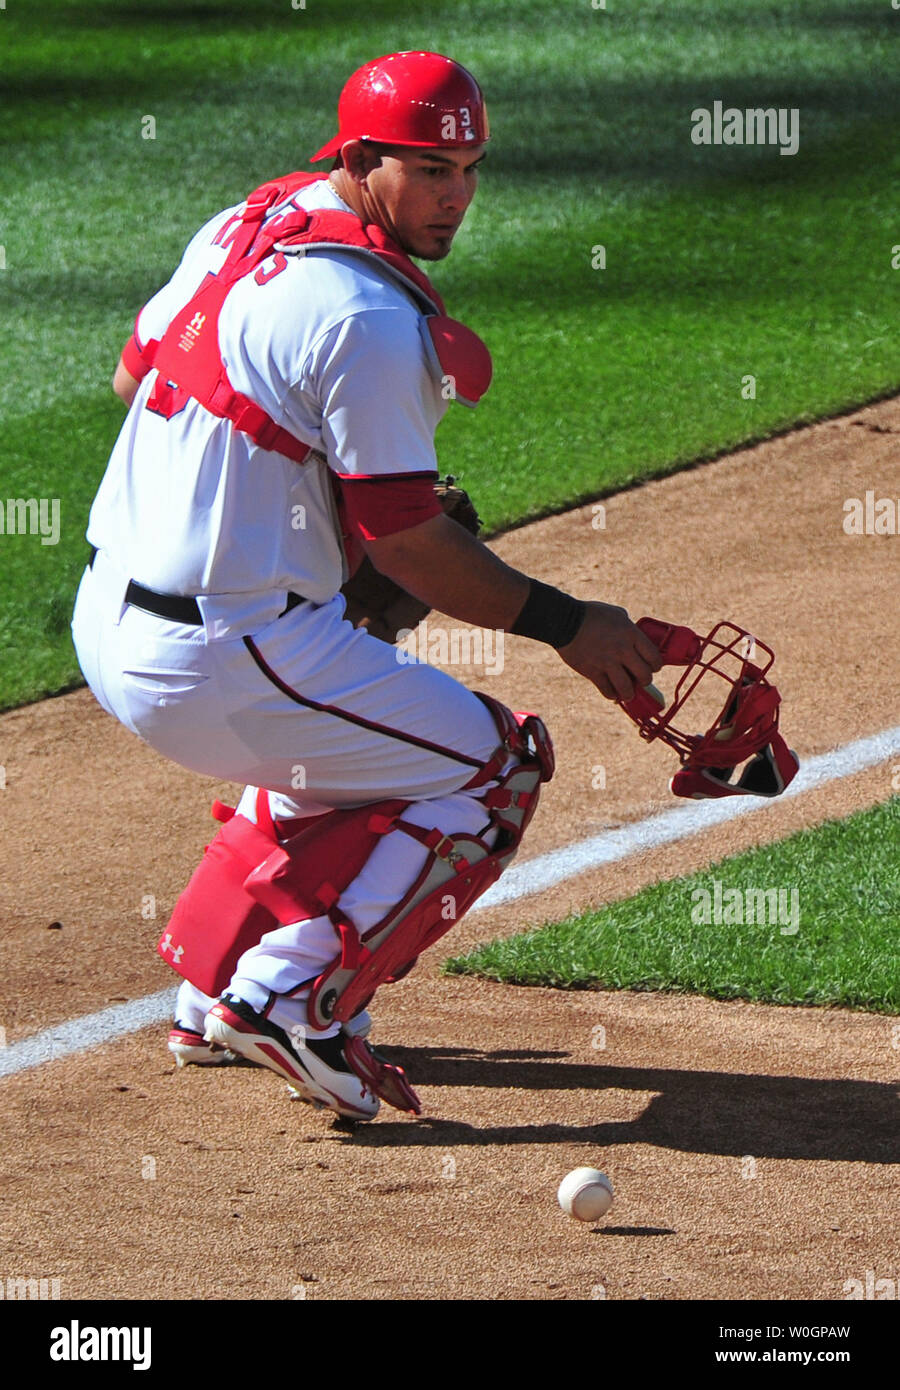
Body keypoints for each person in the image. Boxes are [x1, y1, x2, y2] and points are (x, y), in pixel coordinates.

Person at [71, 51, 661, 1121]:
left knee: (336, 740)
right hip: (224, 654)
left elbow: (131, 377)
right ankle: (290, 998)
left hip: (109, 619)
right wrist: (572, 626)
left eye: (470, 169)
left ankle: (209, 988)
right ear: (359, 157)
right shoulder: (365, 319)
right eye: (430, 170)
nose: (457, 197)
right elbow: (410, 547)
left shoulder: (252, 220)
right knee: (495, 767)